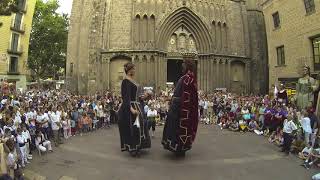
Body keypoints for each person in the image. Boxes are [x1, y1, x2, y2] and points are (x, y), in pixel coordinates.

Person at [162, 58, 199, 157]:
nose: (182, 66)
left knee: (178, 129)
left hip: (180, 109)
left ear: (187, 66)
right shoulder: (186, 78)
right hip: (177, 107)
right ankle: (178, 148)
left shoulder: (188, 78)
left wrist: (176, 101)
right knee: (174, 128)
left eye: (183, 64)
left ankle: (179, 149)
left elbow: (187, 97)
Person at [118, 62, 150, 157]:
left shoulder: (133, 81)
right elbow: (126, 97)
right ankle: (133, 147)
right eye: (133, 69)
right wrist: (131, 109)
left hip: (138, 106)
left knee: (139, 127)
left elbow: (138, 96)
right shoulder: (126, 81)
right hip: (130, 107)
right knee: (133, 128)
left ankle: (138, 145)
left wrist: (146, 95)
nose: (135, 70)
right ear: (129, 70)